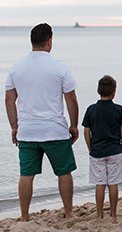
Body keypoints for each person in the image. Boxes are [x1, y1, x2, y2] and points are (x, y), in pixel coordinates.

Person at [5, 23, 79, 221]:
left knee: (26, 175)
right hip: (54, 130)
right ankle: (69, 213)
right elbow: (71, 99)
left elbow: (9, 100)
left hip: (27, 131)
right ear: (49, 42)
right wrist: (73, 125)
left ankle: (24, 217)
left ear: (32, 42)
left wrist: (14, 127)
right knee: (64, 173)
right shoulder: (59, 66)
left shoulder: (17, 67)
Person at [82, 75, 122, 221]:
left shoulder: (91, 109)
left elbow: (86, 131)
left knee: (100, 183)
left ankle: (100, 215)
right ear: (114, 92)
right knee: (113, 183)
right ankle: (113, 214)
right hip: (115, 150)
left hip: (97, 151)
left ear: (97, 91)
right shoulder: (119, 109)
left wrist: (90, 147)